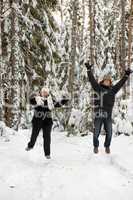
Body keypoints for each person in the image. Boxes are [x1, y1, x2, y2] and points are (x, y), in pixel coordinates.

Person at [85, 61, 132, 154]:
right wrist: (89, 70)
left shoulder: (113, 90)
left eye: (108, 80)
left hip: (108, 115)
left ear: (110, 82)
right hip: (98, 114)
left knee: (109, 133)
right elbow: (92, 80)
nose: (107, 81)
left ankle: (107, 146)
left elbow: (120, 83)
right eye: (105, 80)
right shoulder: (98, 88)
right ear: (102, 81)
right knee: (96, 132)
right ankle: (96, 146)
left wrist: (126, 75)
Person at [25, 87, 69, 159]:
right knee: (34, 135)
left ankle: (47, 154)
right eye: (43, 92)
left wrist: (65, 99)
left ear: (48, 93)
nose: (45, 93)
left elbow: (58, 104)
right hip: (37, 120)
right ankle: (30, 146)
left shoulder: (51, 100)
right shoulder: (37, 99)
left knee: (47, 138)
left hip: (47, 121)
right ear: (41, 92)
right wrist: (32, 95)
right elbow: (31, 101)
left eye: (46, 92)